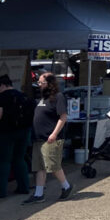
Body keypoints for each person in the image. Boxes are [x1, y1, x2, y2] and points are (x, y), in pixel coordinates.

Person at [23, 72, 71, 204]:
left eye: (41, 82)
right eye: (38, 82)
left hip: (51, 137)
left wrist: (54, 134)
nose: (39, 85)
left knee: (52, 165)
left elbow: (63, 117)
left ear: (49, 83)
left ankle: (66, 186)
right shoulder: (42, 98)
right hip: (39, 137)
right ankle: (39, 194)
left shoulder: (58, 97)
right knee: (40, 167)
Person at [0, 74, 32, 198]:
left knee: (3, 161)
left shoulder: (0, 98)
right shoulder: (23, 96)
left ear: (2, 85)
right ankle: (24, 187)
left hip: (5, 133)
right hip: (24, 132)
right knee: (19, 159)